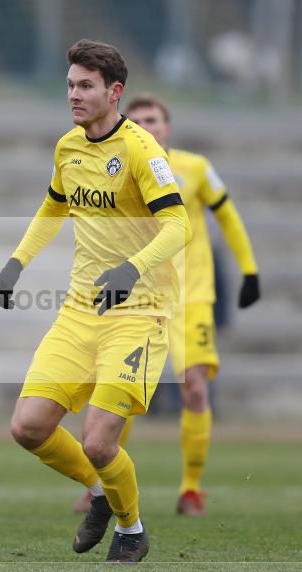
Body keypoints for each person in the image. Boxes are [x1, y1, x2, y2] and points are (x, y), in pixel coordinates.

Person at [0, 40, 191, 563]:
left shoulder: (143, 150)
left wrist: (132, 269)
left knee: (101, 441)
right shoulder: (68, 148)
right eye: (70, 86)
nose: (74, 96)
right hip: (80, 312)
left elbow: (179, 225)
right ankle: (102, 491)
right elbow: (53, 207)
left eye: (85, 86)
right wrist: (16, 263)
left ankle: (132, 529)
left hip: (140, 314)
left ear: (114, 91)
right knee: (27, 427)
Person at [72, 94, 260, 517]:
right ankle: (102, 485)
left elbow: (227, 216)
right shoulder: (119, 167)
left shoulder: (195, 168)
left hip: (192, 297)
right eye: (137, 120)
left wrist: (249, 270)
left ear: (167, 127)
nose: (146, 126)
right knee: (124, 390)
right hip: (143, 298)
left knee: (194, 386)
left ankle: (191, 489)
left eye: (153, 119)